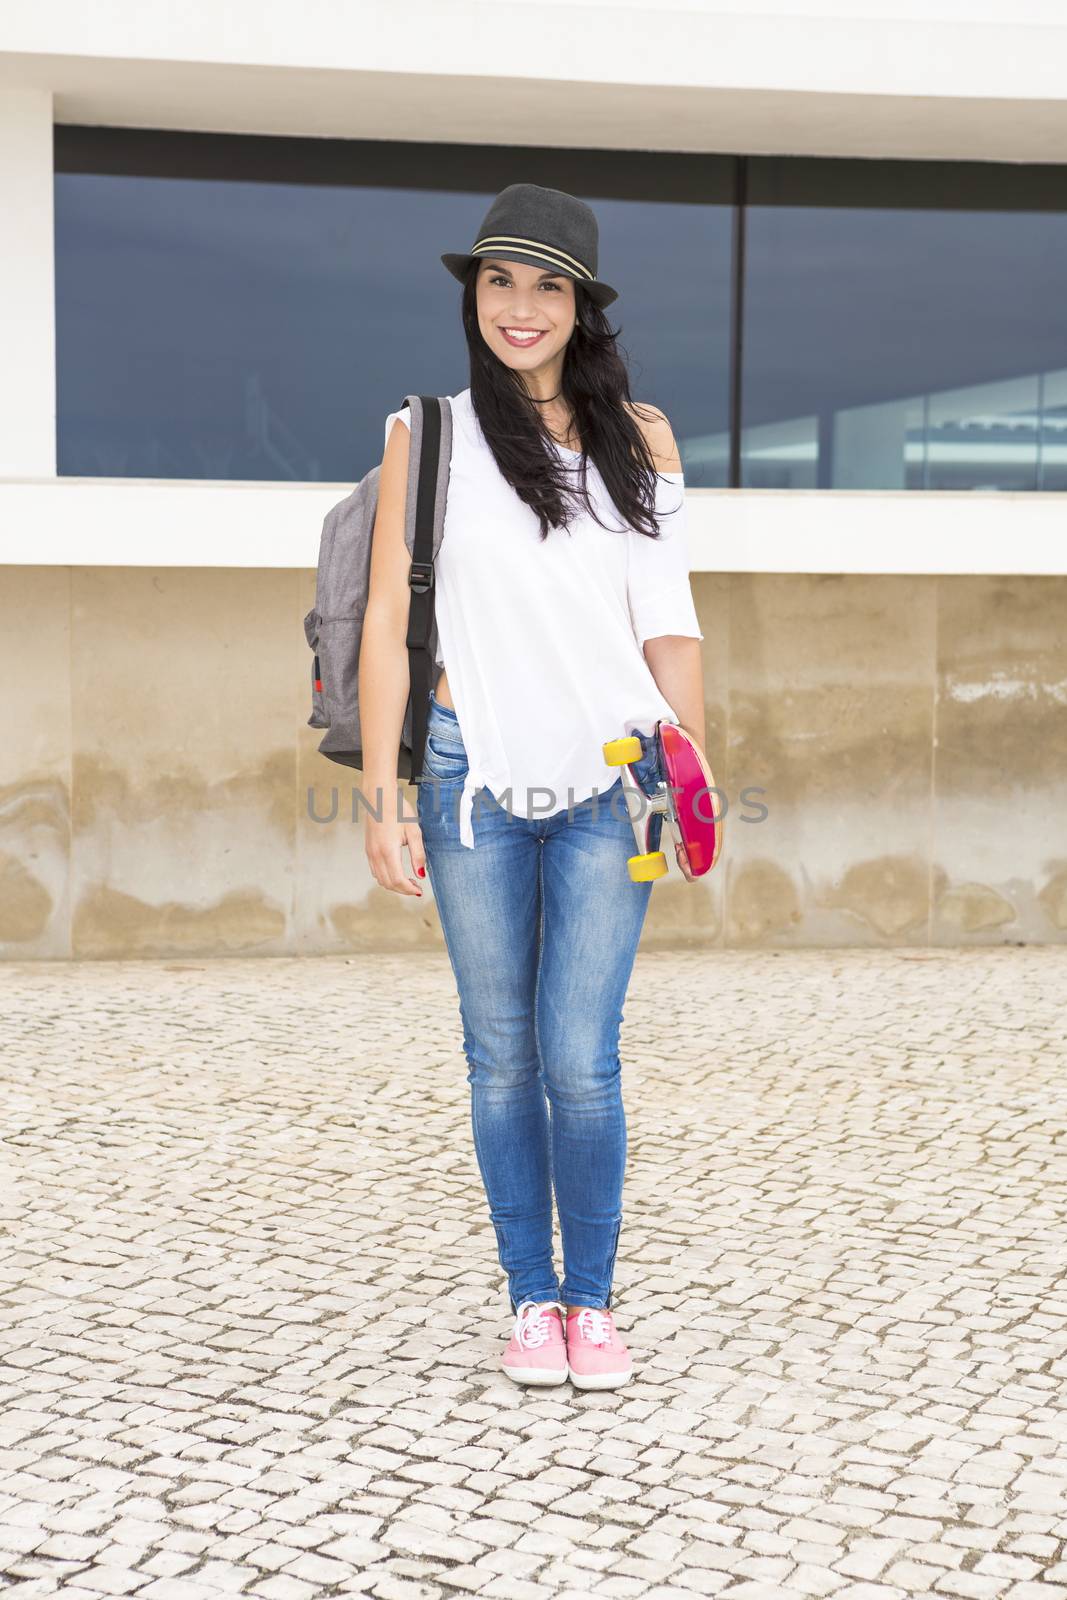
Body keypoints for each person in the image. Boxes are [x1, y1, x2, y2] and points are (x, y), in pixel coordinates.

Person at [359, 183, 706, 1391]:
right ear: (473, 295)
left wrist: (687, 777)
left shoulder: (639, 439)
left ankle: (592, 1302)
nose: (520, 307)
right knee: (498, 1055)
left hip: (616, 777)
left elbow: (668, 627)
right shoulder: (429, 434)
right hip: (467, 772)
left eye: (545, 284)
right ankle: (528, 1299)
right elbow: (385, 629)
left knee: (581, 1056)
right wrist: (381, 798)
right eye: (499, 281)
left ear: (580, 306)